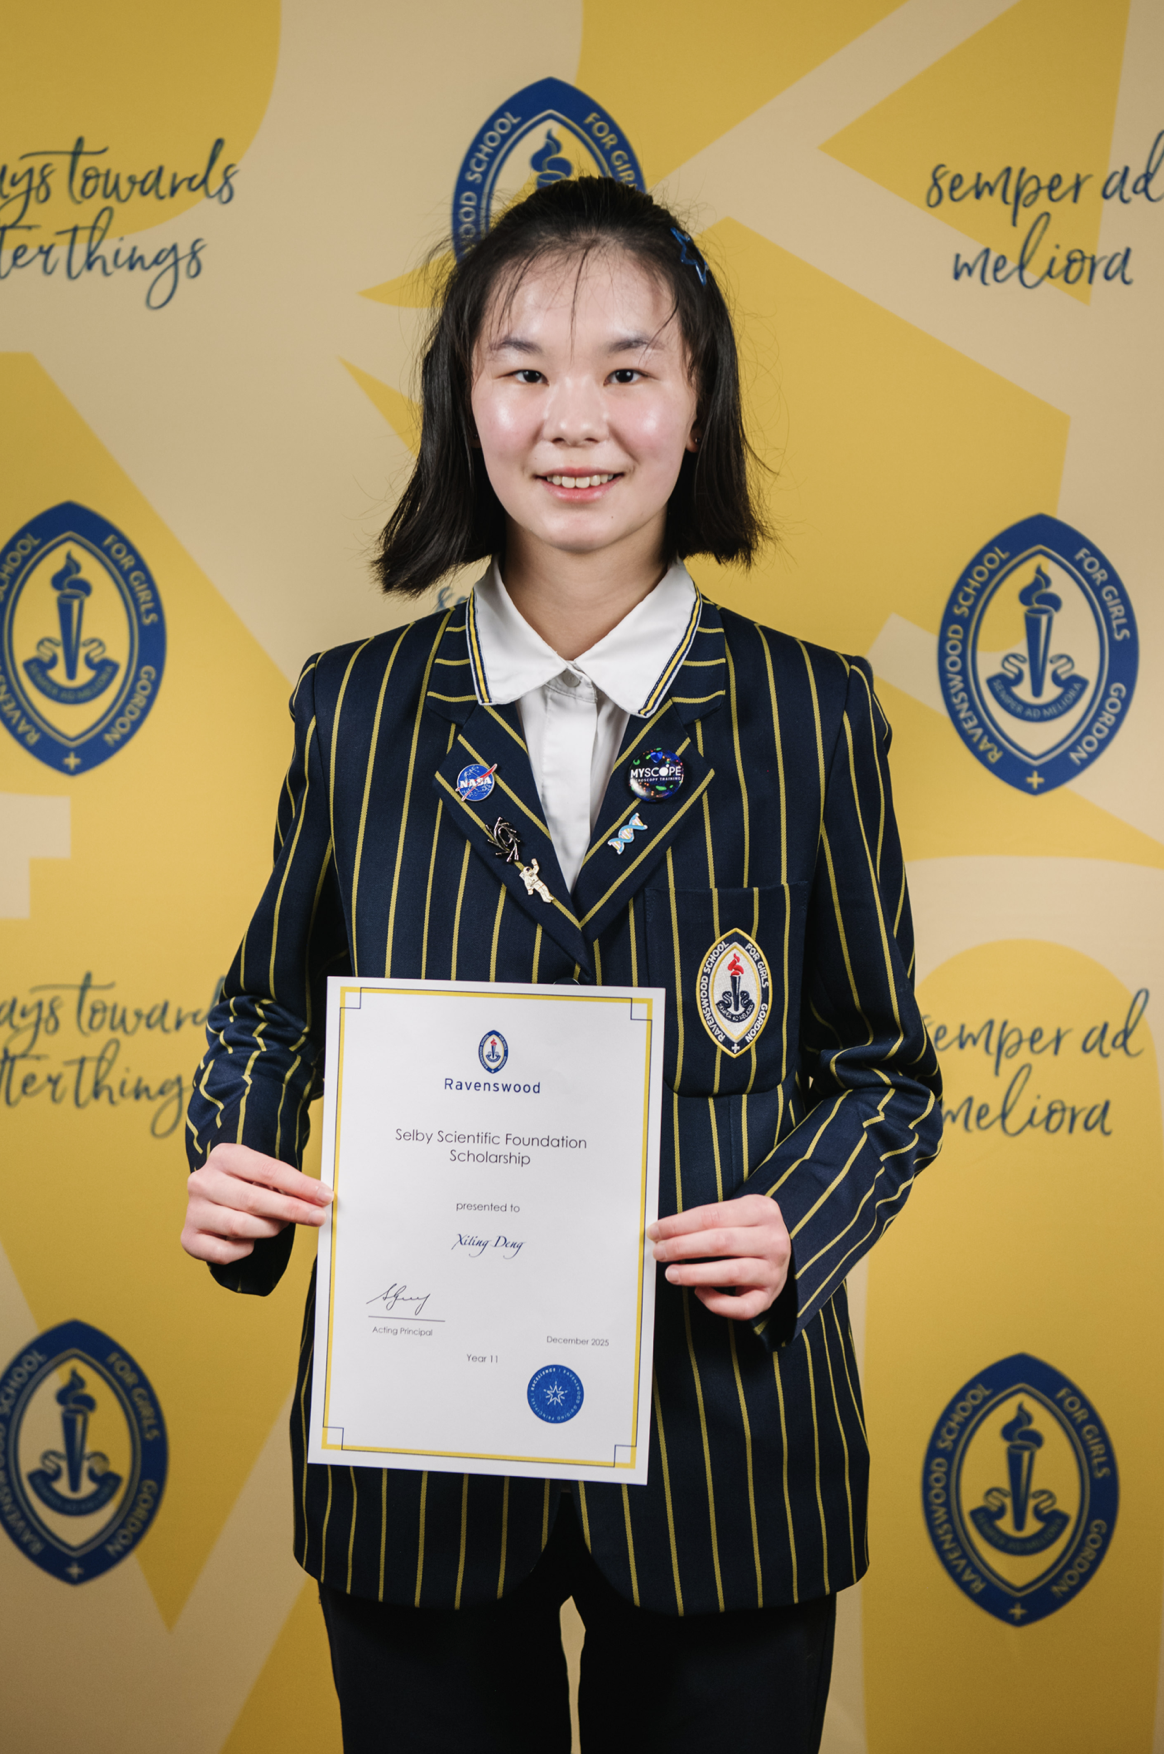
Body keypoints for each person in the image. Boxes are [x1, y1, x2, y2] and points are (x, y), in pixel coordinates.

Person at [182, 176, 942, 1753]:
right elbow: (267, 1004)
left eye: (627, 368)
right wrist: (238, 1159)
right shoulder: (357, 708)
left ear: (696, 399)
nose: (573, 419)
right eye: (523, 368)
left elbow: (885, 1070)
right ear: (465, 402)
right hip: (419, 1444)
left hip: (731, 1443)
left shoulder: (814, 718)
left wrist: (801, 1220)